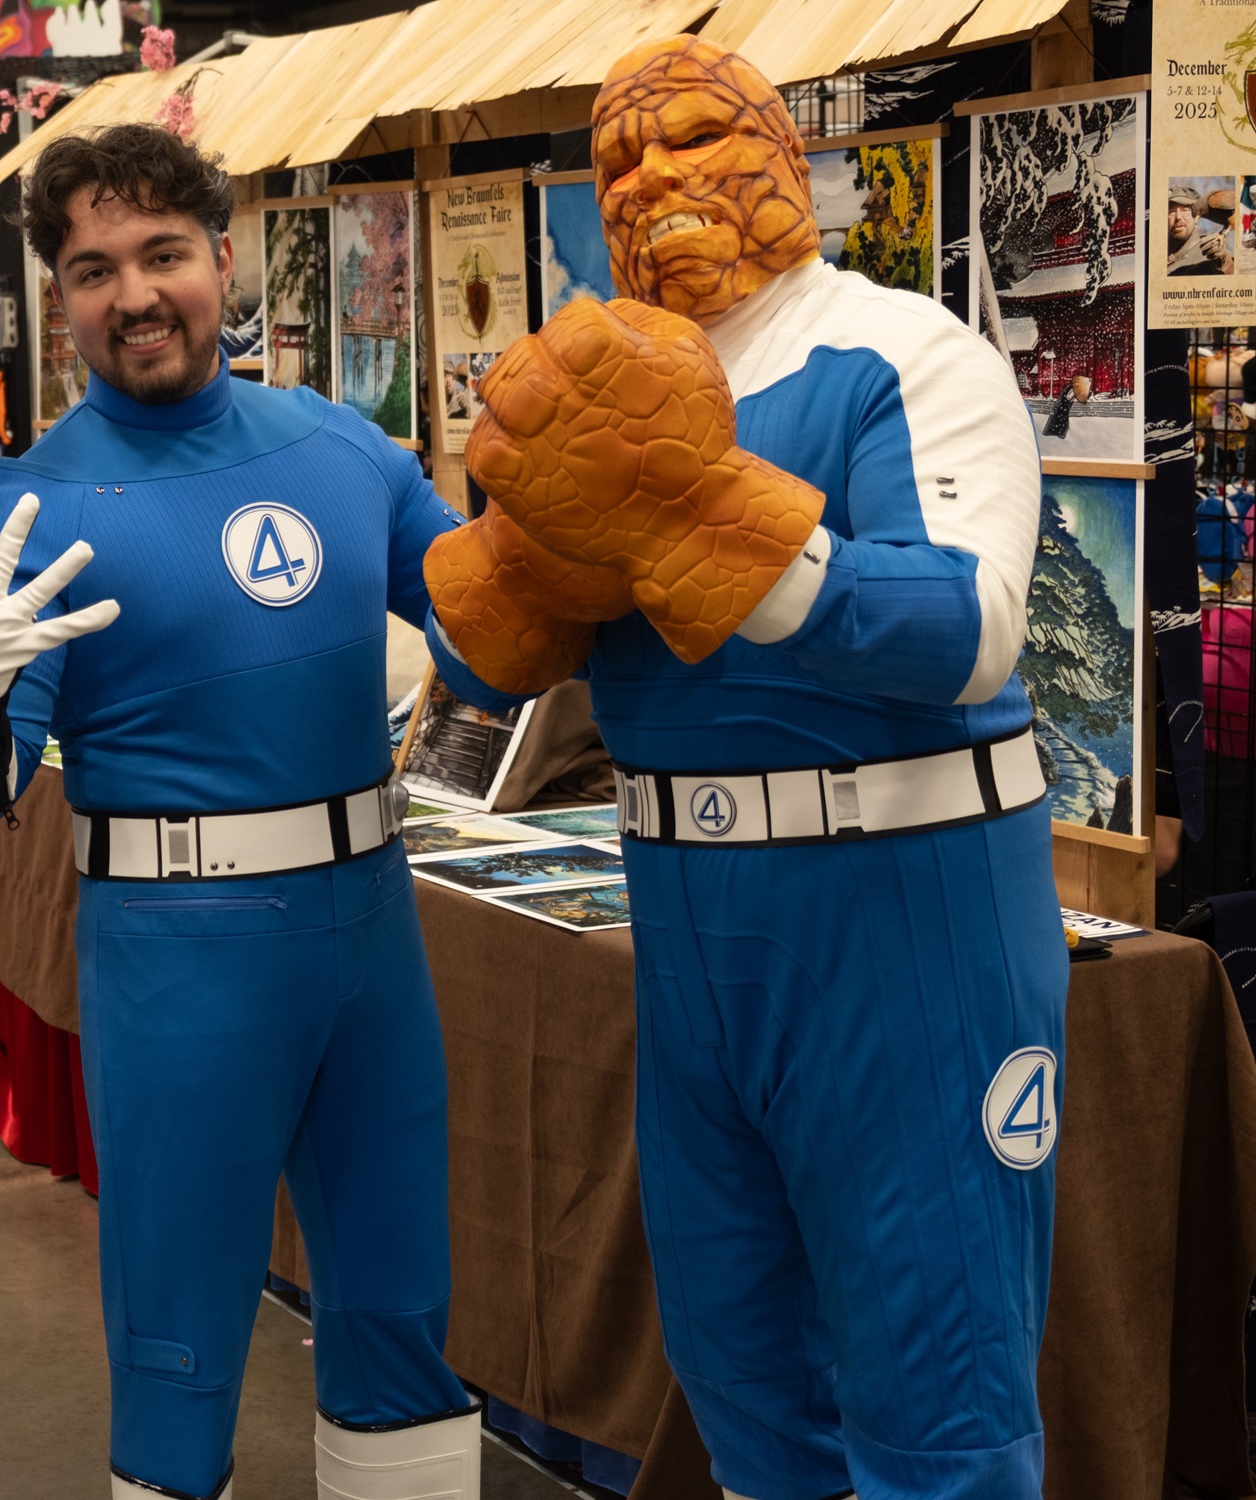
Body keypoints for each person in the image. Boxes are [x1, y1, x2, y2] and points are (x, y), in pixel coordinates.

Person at [427, 36, 1064, 1500]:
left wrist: (690, 515)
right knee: (740, 1375)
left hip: (901, 912)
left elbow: (964, 626)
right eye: (620, 158)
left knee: (933, 1382)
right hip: (688, 909)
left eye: (694, 134)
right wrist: (509, 563)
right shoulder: (600, 373)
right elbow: (485, 673)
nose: (653, 176)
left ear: (784, 153)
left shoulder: (903, 348)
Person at [0, 123, 483, 1500]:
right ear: (61, 296)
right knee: (177, 1338)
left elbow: (495, 645)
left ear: (222, 260)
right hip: (177, 950)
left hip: (368, 934)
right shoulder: (33, 503)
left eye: (162, 254)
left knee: (401, 1312)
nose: (133, 294)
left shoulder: (345, 448)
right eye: (92, 269)